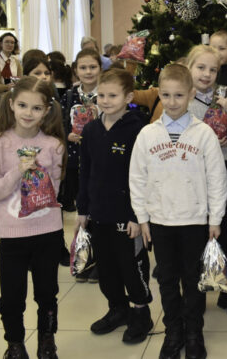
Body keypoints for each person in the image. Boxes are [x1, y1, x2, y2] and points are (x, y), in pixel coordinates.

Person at [130, 63, 227, 359]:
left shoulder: (204, 134)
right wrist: (142, 218)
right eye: (166, 95)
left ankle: (194, 331)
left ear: (191, 94)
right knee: (167, 280)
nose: (172, 102)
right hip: (160, 221)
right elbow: (137, 178)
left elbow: (217, 179)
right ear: (159, 94)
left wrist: (215, 218)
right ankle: (173, 331)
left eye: (179, 95)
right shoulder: (147, 134)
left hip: (195, 221)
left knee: (193, 279)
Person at [0, 76, 65, 359]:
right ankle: (15, 344)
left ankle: (47, 341)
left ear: (47, 110)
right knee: (11, 297)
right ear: (11, 104)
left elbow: (55, 191)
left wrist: (39, 177)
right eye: (22, 105)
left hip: (47, 231)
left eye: (36, 108)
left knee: (47, 293)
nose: (28, 113)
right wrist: (18, 171)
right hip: (12, 234)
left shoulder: (54, 146)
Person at [77, 68, 153, 344]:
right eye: (101, 95)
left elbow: (144, 176)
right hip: (99, 213)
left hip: (127, 216)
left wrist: (137, 215)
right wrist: (83, 209)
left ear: (128, 97)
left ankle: (141, 312)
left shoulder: (138, 130)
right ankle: (117, 308)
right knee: (107, 268)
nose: (105, 101)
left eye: (112, 96)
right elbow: (85, 171)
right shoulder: (91, 129)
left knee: (131, 266)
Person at [186, 44, 227, 318]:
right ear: (189, 68)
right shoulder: (181, 102)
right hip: (193, 178)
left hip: (224, 173)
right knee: (196, 237)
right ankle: (195, 293)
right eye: (201, 67)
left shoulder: (223, 101)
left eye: (213, 70)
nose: (206, 74)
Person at [58, 49, 102, 284]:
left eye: (93, 67)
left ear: (100, 69)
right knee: (81, 211)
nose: (88, 72)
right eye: (83, 67)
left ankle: (101, 261)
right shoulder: (69, 95)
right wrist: (67, 135)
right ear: (75, 70)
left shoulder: (105, 94)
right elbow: (61, 123)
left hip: (99, 161)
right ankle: (85, 259)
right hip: (76, 161)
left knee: (98, 211)